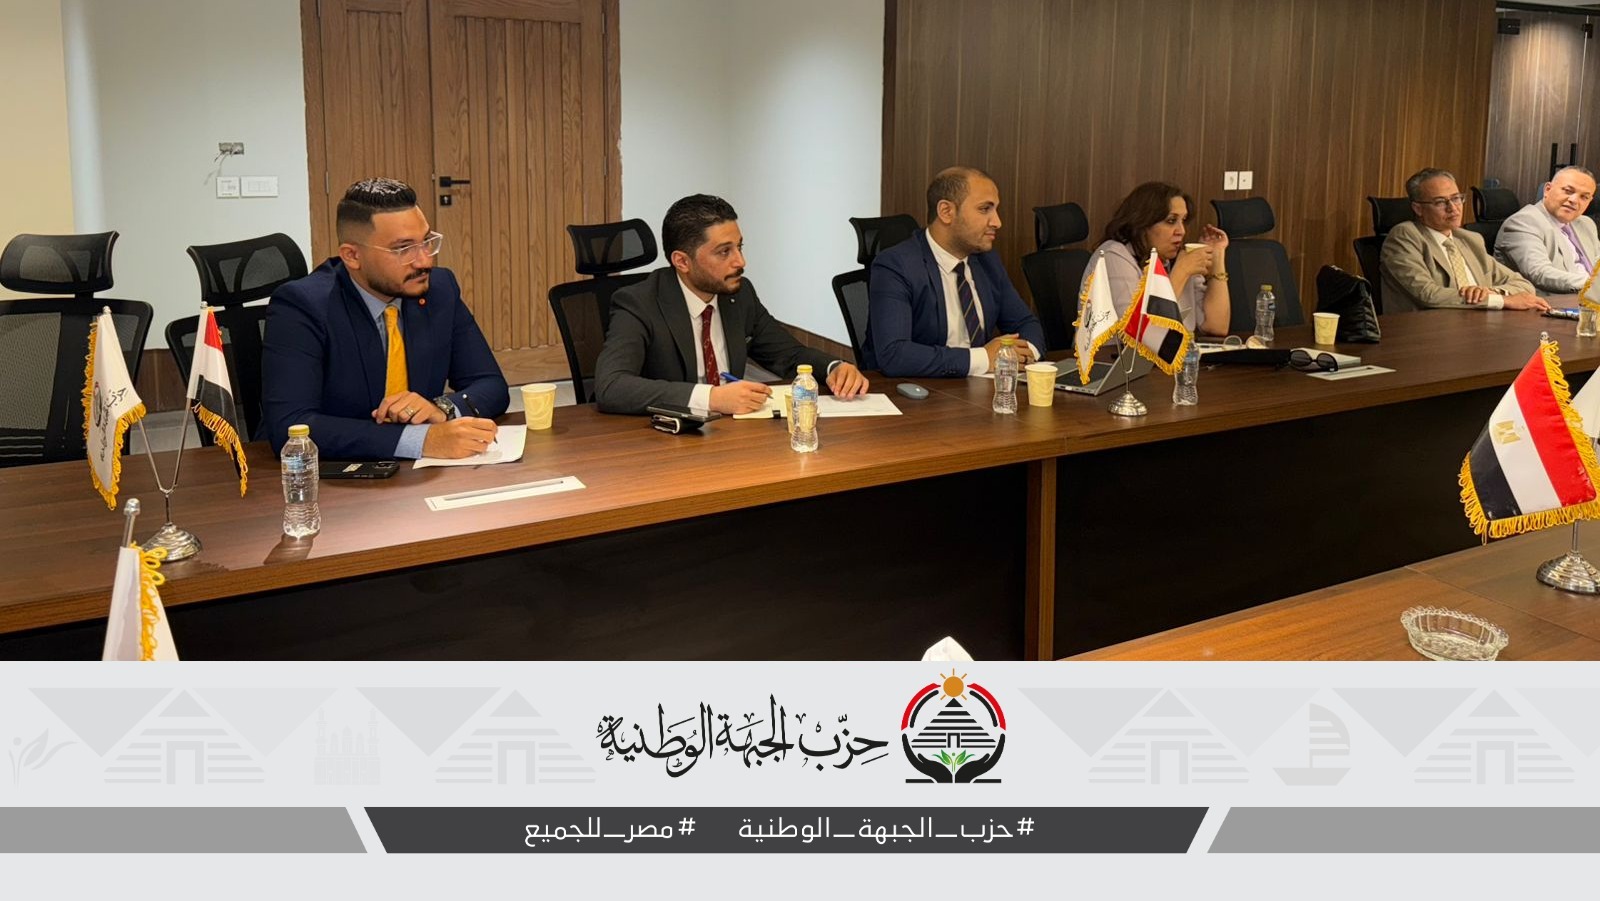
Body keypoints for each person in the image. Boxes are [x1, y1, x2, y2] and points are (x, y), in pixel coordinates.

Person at [262, 177, 507, 460]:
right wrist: (421, 440)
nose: (425, 261)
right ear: (352, 256)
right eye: (403, 249)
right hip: (330, 474)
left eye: (427, 242)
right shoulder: (302, 305)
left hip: (419, 473)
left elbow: (492, 385)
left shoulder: (440, 290)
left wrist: (441, 408)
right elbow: (291, 426)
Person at [594, 194, 869, 416]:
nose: (740, 262)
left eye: (740, 247)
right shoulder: (639, 303)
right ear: (682, 261)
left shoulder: (739, 294)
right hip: (667, 439)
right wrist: (712, 398)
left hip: (732, 431)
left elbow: (788, 354)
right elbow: (611, 386)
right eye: (724, 251)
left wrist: (834, 367)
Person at [864, 166, 1046, 377]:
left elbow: (1025, 323)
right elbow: (895, 354)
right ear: (946, 212)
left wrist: (1023, 356)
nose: (997, 222)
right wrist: (984, 358)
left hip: (978, 388)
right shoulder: (896, 265)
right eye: (984, 209)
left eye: (996, 209)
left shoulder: (987, 261)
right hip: (918, 390)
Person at [1380, 168, 1548, 312]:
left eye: (1456, 198)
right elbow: (1428, 294)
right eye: (1440, 202)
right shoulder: (1405, 236)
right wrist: (1499, 301)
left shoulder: (1469, 239)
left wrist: (1491, 292)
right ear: (1418, 208)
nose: (1453, 208)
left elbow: (1524, 285)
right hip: (1430, 330)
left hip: (1480, 325)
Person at [1082, 181, 1230, 336]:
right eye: (1171, 221)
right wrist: (1181, 272)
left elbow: (1217, 326)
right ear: (1143, 223)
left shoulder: (1176, 258)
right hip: (1113, 351)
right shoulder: (1113, 255)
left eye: (1183, 220)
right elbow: (1138, 332)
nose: (1181, 231)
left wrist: (1217, 257)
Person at [1494, 166, 1600, 296]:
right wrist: (1592, 284)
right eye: (1568, 191)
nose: (1574, 200)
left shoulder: (1586, 223)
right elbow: (1540, 273)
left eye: (1584, 197)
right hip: (1549, 303)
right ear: (1547, 189)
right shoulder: (1524, 222)